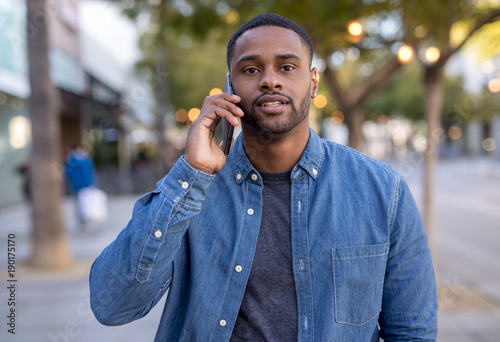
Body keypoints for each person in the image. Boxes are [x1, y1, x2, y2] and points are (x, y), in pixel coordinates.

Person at [90, 13, 437, 341]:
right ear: (230, 86)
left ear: (313, 82)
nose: (270, 79)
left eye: (287, 67)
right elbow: (112, 305)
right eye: (251, 69)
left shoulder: (382, 190)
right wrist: (190, 174)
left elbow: (412, 331)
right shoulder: (192, 190)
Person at [65, 142, 98, 231]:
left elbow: (91, 172)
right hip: (78, 187)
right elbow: (70, 173)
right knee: (80, 206)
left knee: (87, 205)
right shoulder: (72, 160)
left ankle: (86, 222)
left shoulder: (86, 159)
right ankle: (82, 223)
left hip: (87, 186)